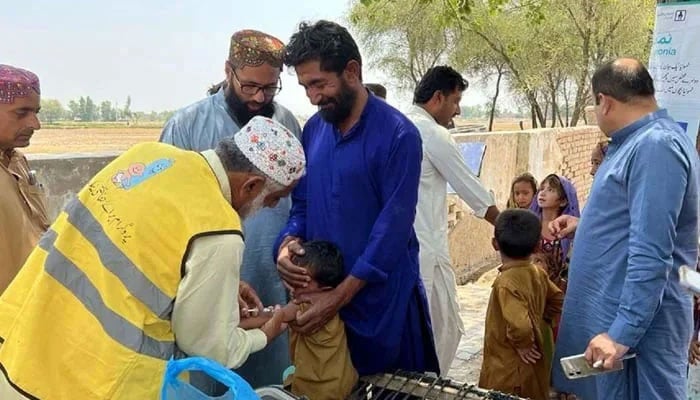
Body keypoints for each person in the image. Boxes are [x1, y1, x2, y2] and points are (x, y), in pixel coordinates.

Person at [0, 116, 305, 399]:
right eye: (273, 199)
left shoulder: (148, 157)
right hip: (88, 379)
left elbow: (135, 253)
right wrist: (263, 335)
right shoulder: (219, 228)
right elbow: (209, 346)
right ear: (251, 185)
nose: (267, 208)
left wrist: (218, 287)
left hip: (22, 340)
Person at [275, 20, 440, 376]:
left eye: (319, 84)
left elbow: (391, 230)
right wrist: (287, 244)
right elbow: (301, 205)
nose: (313, 97)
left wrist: (340, 297)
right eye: (305, 87)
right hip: (324, 298)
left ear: (352, 70)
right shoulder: (314, 131)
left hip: (381, 306)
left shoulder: (399, 135)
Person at [548, 58, 699, 400]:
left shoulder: (655, 146)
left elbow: (654, 251)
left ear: (605, 101)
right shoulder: (637, 142)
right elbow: (636, 221)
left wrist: (621, 334)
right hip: (619, 327)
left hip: (640, 332)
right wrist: (584, 227)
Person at [159, 29, 301, 387]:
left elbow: (297, 203)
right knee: (209, 368)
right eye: (249, 86)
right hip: (204, 284)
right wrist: (223, 280)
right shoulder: (186, 126)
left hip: (268, 281)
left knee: (269, 382)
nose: (258, 98)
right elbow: (170, 218)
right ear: (228, 71)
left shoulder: (287, 124)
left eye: (269, 89)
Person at [406, 65, 499, 373]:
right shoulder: (434, 134)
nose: (458, 111)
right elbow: (473, 192)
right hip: (425, 251)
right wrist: (510, 229)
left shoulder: (399, 125)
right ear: (437, 97)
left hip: (404, 250)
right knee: (443, 329)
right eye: (456, 101)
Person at [478, 209, 564, 400]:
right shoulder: (538, 273)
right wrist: (542, 321)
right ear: (536, 247)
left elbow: (520, 325)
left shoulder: (506, 283)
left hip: (507, 370)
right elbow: (558, 299)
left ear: (494, 244)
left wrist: (525, 344)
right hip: (533, 366)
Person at [282, 241, 358, 400]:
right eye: (292, 279)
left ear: (326, 291)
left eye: (302, 283)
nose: (293, 288)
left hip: (316, 394)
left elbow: (275, 319)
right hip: (343, 385)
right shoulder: (333, 306)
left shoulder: (304, 306)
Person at [0, 64, 49, 295]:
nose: (34, 124)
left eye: (36, 113)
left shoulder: (17, 161)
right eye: (21, 113)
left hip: (29, 311)